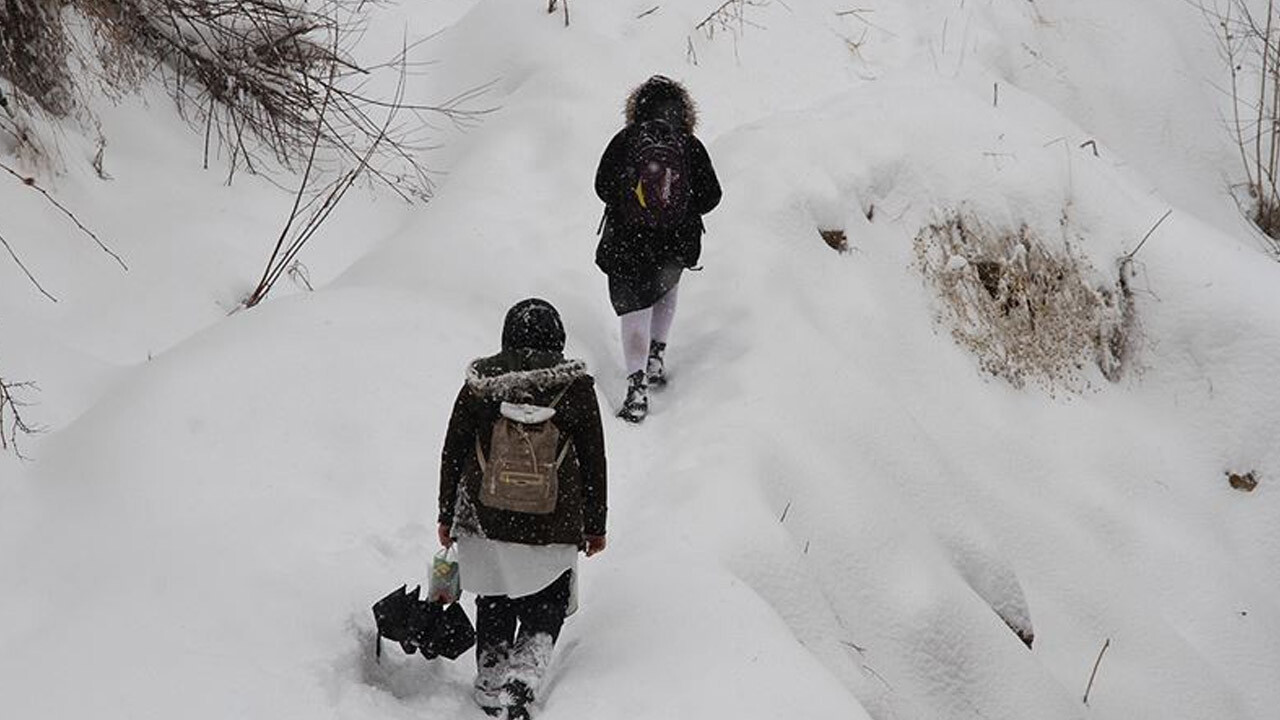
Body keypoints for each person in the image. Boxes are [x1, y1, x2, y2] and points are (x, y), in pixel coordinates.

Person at [437, 298, 608, 719]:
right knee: (547, 598)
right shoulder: (576, 389)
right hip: (554, 519)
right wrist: (595, 524)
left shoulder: (480, 384)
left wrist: (446, 515)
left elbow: (453, 451)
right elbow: (593, 458)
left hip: (485, 516)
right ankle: (524, 677)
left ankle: (491, 677)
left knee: (494, 595)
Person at [594, 74, 722, 423]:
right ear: (683, 111)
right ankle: (656, 356)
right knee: (665, 287)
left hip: (626, 243)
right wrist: (677, 207)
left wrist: (632, 202)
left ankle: (636, 387)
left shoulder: (625, 140)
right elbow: (712, 196)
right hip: (673, 243)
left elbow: (602, 186)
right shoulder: (688, 145)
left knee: (633, 309)